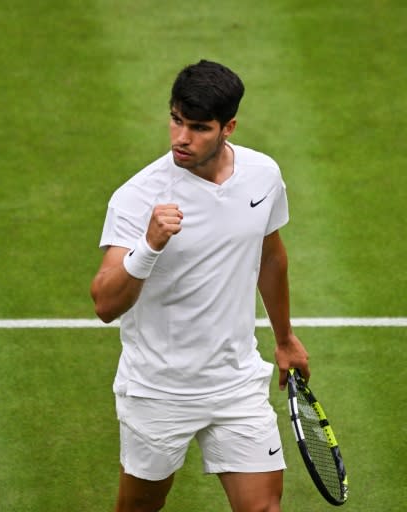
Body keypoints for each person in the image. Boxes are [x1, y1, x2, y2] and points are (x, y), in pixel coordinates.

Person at [90, 60, 310, 512]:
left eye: (198, 127)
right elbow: (105, 303)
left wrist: (285, 339)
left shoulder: (262, 175)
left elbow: (270, 255)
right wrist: (148, 245)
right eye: (175, 120)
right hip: (157, 390)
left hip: (235, 383)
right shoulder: (138, 197)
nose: (180, 139)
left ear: (228, 127)